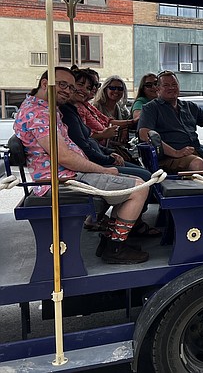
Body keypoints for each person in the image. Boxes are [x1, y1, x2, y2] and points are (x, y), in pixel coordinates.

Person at [13, 67, 150, 264]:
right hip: (62, 178)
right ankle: (115, 247)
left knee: (134, 181)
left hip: (67, 173)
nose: (68, 90)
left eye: (70, 86)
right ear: (45, 83)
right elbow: (64, 157)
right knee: (139, 187)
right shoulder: (38, 114)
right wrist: (104, 169)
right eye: (62, 85)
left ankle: (110, 240)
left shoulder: (44, 108)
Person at [137, 70, 203, 230]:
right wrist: (175, 152)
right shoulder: (151, 108)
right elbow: (144, 134)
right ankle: (202, 214)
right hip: (170, 157)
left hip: (197, 151)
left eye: (174, 84)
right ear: (158, 89)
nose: (171, 88)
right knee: (197, 164)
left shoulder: (188, 106)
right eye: (166, 85)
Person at [93, 75, 137, 145]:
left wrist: (125, 129)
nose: (116, 91)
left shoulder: (122, 108)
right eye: (112, 88)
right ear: (105, 89)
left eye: (120, 89)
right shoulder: (96, 107)